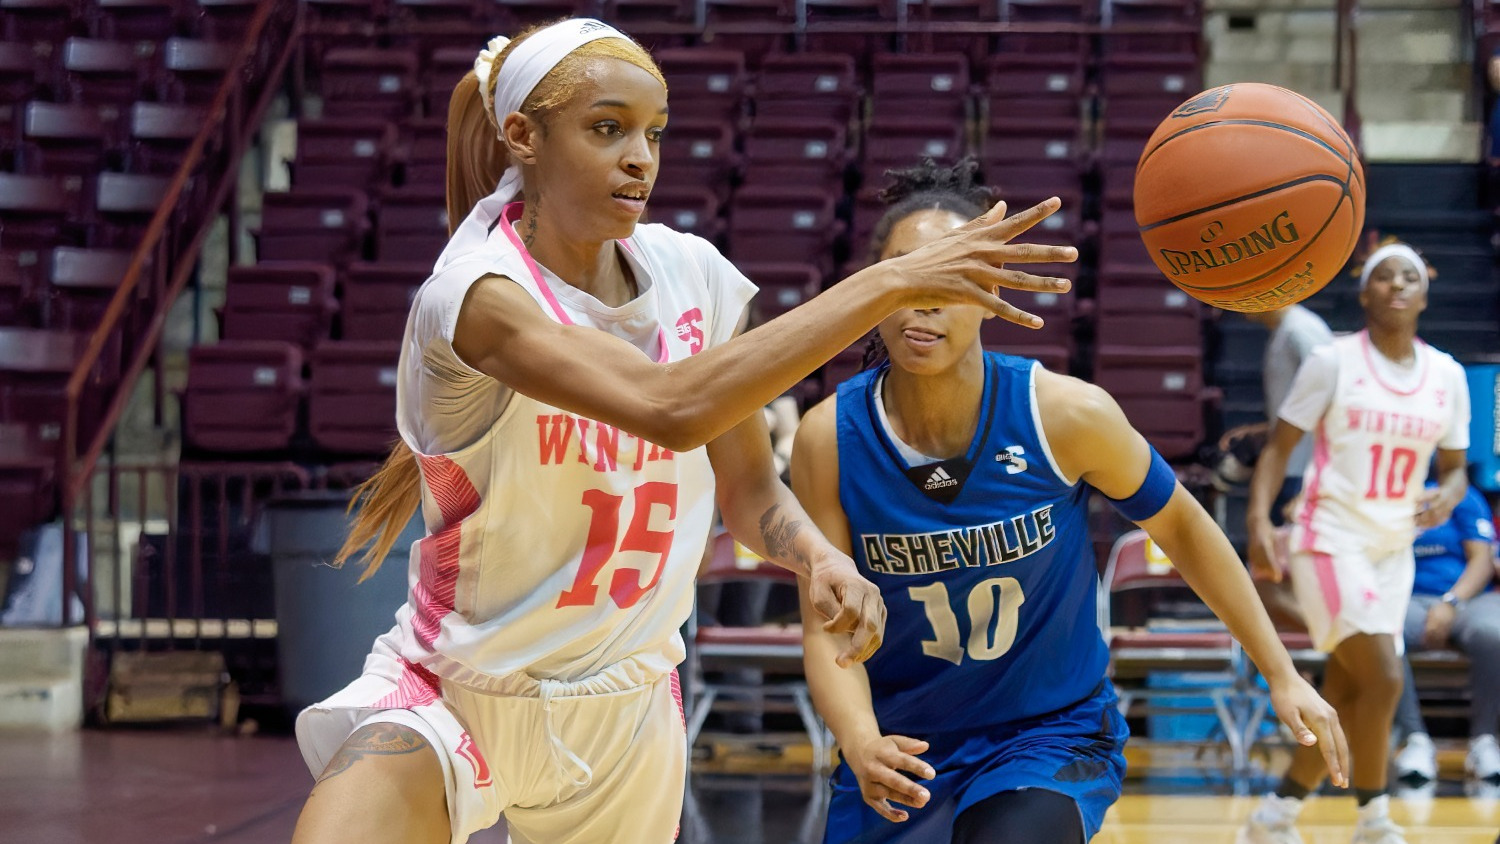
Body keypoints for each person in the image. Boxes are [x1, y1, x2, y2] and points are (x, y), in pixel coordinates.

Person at [288, 20, 1080, 844]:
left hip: (627, 714)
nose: (641, 157)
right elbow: (672, 408)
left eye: (653, 133)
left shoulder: (692, 273)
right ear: (522, 135)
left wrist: (814, 555)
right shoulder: (476, 296)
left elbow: (743, 485)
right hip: (455, 691)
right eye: (608, 129)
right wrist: (888, 284)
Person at [790, 159, 1348, 844]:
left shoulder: (1065, 414)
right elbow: (827, 624)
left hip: (1048, 734)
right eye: (905, 274)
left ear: (996, 288)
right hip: (901, 739)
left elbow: (1183, 525)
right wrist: (857, 736)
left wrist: (1282, 673)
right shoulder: (830, 438)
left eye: (952, 274)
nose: (924, 298)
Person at [1242, 242, 1472, 844]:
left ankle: (1276, 815)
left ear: (1425, 294)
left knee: (1350, 689)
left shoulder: (1447, 375)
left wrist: (1448, 494)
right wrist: (1260, 522)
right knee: (1386, 679)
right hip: (1330, 538)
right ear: (1364, 291)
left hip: (1394, 548)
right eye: (1385, 277)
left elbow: (1455, 467)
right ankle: (1374, 819)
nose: (1398, 285)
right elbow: (1278, 447)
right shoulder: (1332, 360)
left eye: (1410, 277)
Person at [1390, 480, 1500, 783]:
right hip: (1405, 599)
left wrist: (1451, 602)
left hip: (1467, 598)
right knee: (1385, 635)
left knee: (1493, 634)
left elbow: (1482, 559)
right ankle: (1415, 740)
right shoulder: (1387, 492)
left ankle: (1484, 741)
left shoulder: (1461, 494)